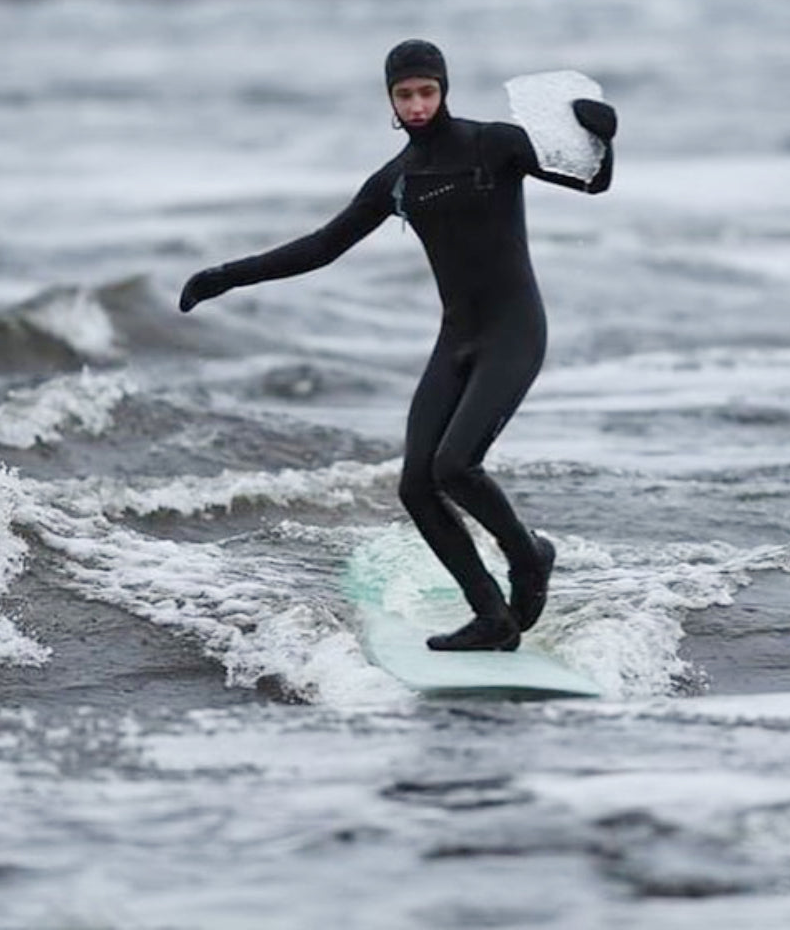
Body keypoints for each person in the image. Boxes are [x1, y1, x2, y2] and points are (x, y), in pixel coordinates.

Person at [179, 39, 617, 652]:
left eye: (426, 92)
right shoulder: (397, 180)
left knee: (455, 466)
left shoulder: (496, 144)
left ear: (444, 90)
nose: (416, 104)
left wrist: (602, 138)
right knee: (417, 484)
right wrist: (226, 275)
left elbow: (590, 182)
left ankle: (529, 557)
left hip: (514, 332)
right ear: (390, 98)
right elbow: (321, 246)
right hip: (457, 339)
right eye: (404, 94)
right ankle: (491, 616)